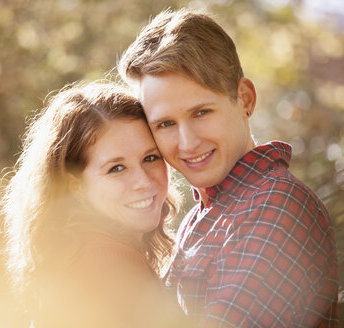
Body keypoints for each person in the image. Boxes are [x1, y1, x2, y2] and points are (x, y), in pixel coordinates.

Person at [118, 8, 338, 327]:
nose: (187, 143)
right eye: (165, 123)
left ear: (245, 100)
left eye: (201, 112)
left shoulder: (277, 206)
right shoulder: (200, 217)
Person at [0, 81, 190, 327]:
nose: (143, 181)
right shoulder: (108, 262)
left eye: (150, 157)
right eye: (116, 168)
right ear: (76, 186)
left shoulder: (78, 251)